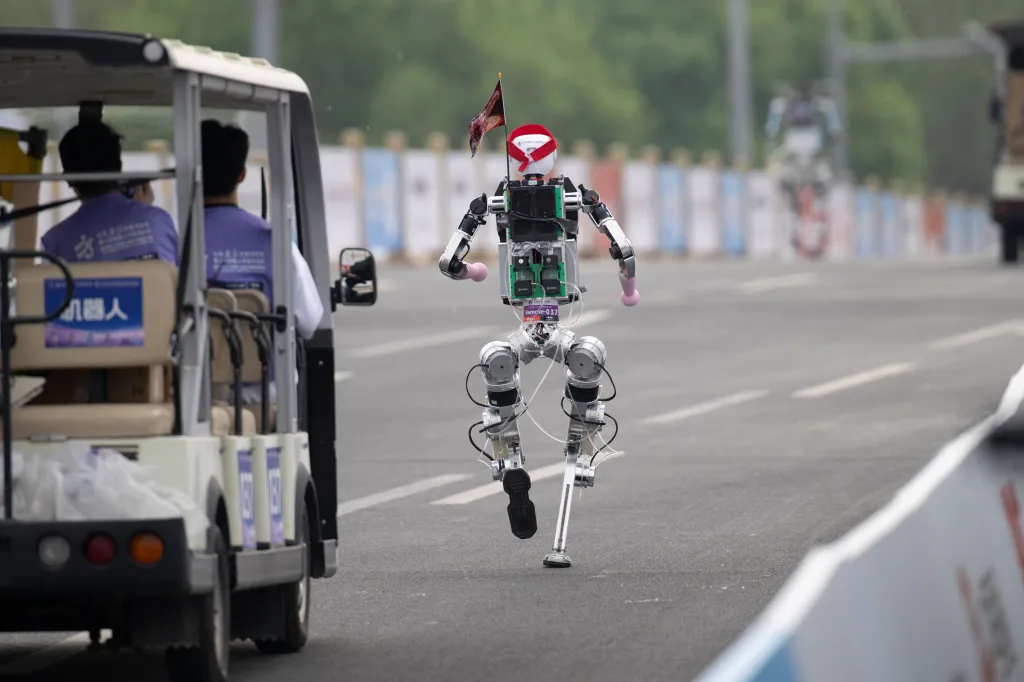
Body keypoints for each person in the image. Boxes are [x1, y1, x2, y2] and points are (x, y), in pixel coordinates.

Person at [200, 119, 324, 402]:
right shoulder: (275, 242)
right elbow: (309, 320)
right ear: (242, 175)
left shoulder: (177, 242)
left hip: (196, 396)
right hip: (262, 397)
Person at [41, 121, 178, 264]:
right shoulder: (158, 220)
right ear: (119, 167)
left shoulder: (55, 242)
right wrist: (142, 214)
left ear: (68, 180)